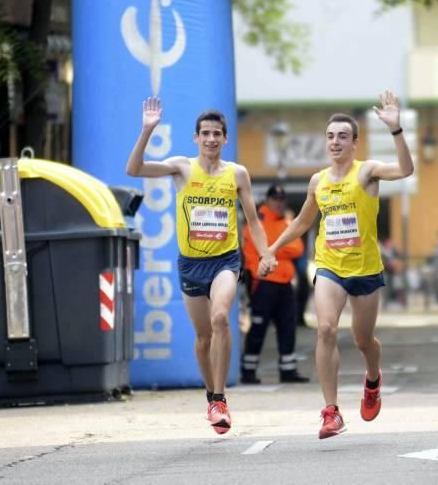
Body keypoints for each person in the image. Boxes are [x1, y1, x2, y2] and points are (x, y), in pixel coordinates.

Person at [259, 90, 414, 439]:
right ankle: (331, 413)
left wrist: (396, 130)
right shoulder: (318, 181)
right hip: (329, 265)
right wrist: (270, 249)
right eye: (330, 136)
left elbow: (406, 169)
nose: (335, 142)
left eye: (343, 136)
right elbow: (300, 223)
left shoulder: (367, 173)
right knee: (325, 328)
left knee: (363, 340)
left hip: (365, 269)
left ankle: (372, 378)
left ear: (355, 143)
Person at [126, 97, 276, 435]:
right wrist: (147, 130)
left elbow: (253, 220)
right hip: (191, 264)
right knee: (203, 336)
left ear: (225, 139)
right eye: (205, 133)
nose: (211, 139)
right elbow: (134, 169)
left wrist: (265, 253)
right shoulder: (182, 167)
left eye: (217, 134)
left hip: (225, 261)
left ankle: (221, 399)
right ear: (196, 138)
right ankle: (211, 396)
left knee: (220, 317)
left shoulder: (237, 174)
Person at [240, 184, 309, 385]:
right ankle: (248, 370)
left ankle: (288, 370)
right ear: (267, 200)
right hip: (263, 283)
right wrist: (277, 247)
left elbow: (297, 248)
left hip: (285, 283)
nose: (279, 203)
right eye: (275, 199)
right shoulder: (257, 222)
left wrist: (274, 247)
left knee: (288, 327)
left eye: (281, 200)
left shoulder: (287, 222)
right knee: (258, 327)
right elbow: (263, 246)